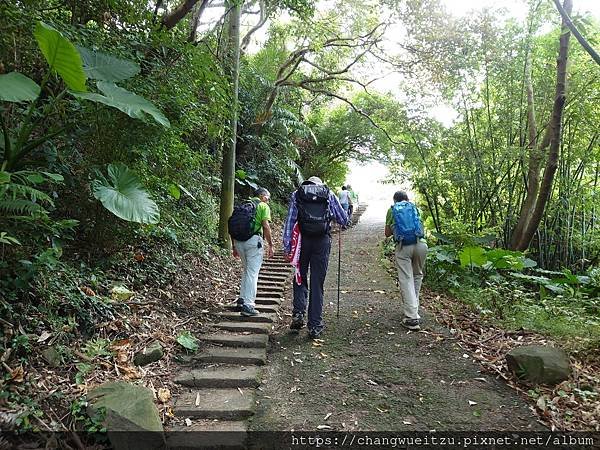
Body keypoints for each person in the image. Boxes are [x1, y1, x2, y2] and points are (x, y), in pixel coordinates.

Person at [283, 176, 348, 338]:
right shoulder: (328, 194)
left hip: (302, 241)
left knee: (299, 277)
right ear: (319, 185)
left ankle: (298, 313)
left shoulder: (297, 194)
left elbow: (290, 222)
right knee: (317, 283)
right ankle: (315, 326)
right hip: (322, 241)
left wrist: (287, 246)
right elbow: (343, 219)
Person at [384, 191, 428, 331]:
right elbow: (421, 228)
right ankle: (413, 309)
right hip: (421, 245)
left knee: (406, 278)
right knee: (417, 275)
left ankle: (411, 317)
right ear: (407, 199)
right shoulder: (416, 208)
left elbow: (387, 233)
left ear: (395, 200)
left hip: (404, 247)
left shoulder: (392, 210)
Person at [231, 187, 274, 317]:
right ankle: (248, 305)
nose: (268, 201)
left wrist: (234, 246)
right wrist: (271, 245)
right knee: (252, 273)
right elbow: (265, 226)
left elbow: (232, 224)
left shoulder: (243, 205)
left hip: (238, 241)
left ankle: (241, 300)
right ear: (263, 196)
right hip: (253, 241)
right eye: (268, 197)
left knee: (246, 270)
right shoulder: (262, 206)